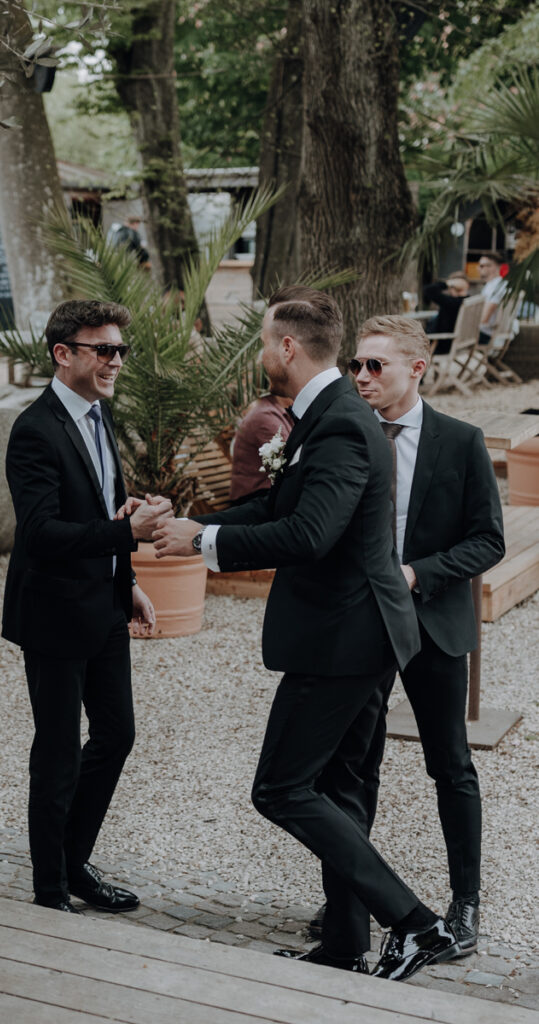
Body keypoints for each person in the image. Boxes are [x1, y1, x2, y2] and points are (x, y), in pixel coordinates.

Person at [152, 287, 462, 983]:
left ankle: (417, 923)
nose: (261, 352)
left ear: (287, 347)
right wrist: (196, 525)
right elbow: (279, 505)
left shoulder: (341, 424)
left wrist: (202, 543)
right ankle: (346, 943)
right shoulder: (326, 414)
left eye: (265, 341)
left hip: (345, 637)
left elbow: (308, 534)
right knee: (340, 789)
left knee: (281, 787)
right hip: (358, 632)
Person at [2, 299, 172, 914]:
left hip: (104, 604)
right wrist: (126, 534)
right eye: (103, 349)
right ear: (62, 353)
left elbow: (101, 508)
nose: (116, 360)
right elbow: (41, 533)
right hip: (52, 613)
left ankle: (74, 862)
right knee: (56, 754)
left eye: (120, 350)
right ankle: (50, 889)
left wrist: (127, 579)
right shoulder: (34, 429)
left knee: (117, 736)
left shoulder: (101, 414)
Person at [347, 314, 505, 956]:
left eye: (375, 365)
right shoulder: (346, 434)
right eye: (356, 365)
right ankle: (350, 902)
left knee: (451, 765)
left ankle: (465, 903)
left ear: (417, 368)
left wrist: (417, 574)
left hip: (433, 622)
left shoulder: (461, 441)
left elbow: (488, 540)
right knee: (354, 765)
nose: (361, 377)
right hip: (360, 622)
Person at [229, 393, 293, 504]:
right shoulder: (266, 416)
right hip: (253, 497)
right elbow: (288, 464)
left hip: (267, 492)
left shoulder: (277, 411)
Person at [423, 273, 470, 348]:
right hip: (458, 343)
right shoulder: (469, 302)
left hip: (441, 344)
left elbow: (428, 290)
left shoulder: (452, 303)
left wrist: (447, 283)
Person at [477, 253, 507, 341]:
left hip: (487, 334)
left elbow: (484, 318)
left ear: (493, 267)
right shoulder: (496, 284)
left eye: (482, 266)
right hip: (491, 333)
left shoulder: (495, 287)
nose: (478, 268)